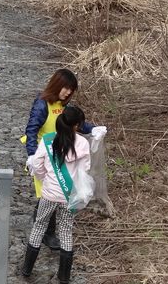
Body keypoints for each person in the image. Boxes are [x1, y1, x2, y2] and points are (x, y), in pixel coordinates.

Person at [23, 69, 106, 250]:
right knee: (48, 192)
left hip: (61, 154)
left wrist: (93, 129)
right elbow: (31, 131)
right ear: (57, 84)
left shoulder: (66, 107)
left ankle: (43, 224)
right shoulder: (42, 104)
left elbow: (78, 124)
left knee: (57, 190)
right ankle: (46, 231)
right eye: (66, 88)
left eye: (71, 89)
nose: (68, 92)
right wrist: (31, 155)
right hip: (43, 155)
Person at [21, 105, 91, 283]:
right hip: (70, 197)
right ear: (76, 126)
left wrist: (45, 179)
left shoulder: (48, 140)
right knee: (66, 231)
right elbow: (85, 170)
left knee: (39, 226)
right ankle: (64, 276)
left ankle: (27, 269)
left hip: (49, 194)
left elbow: (37, 164)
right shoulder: (83, 144)